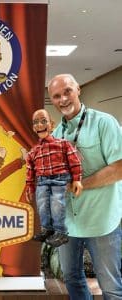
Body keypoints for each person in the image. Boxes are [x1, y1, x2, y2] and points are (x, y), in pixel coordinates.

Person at [48, 73, 122, 300]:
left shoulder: (104, 123)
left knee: (110, 287)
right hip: (68, 223)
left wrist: (83, 184)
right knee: (72, 278)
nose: (63, 99)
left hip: (101, 221)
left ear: (78, 89)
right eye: (57, 96)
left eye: (67, 91)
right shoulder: (56, 135)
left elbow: (119, 168)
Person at [26, 109, 83, 247]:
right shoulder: (33, 151)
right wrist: (29, 186)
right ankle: (47, 229)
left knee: (57, 205)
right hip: (41, 182)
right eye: (36, 122)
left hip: (59, 180)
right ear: (34, 128)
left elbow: (74, 161)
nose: (40, 125)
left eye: (43, 121)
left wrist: (76, 179)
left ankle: (60, 232)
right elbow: (30, 170)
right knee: (42, 206)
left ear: (51, 125)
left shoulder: (63, 144)